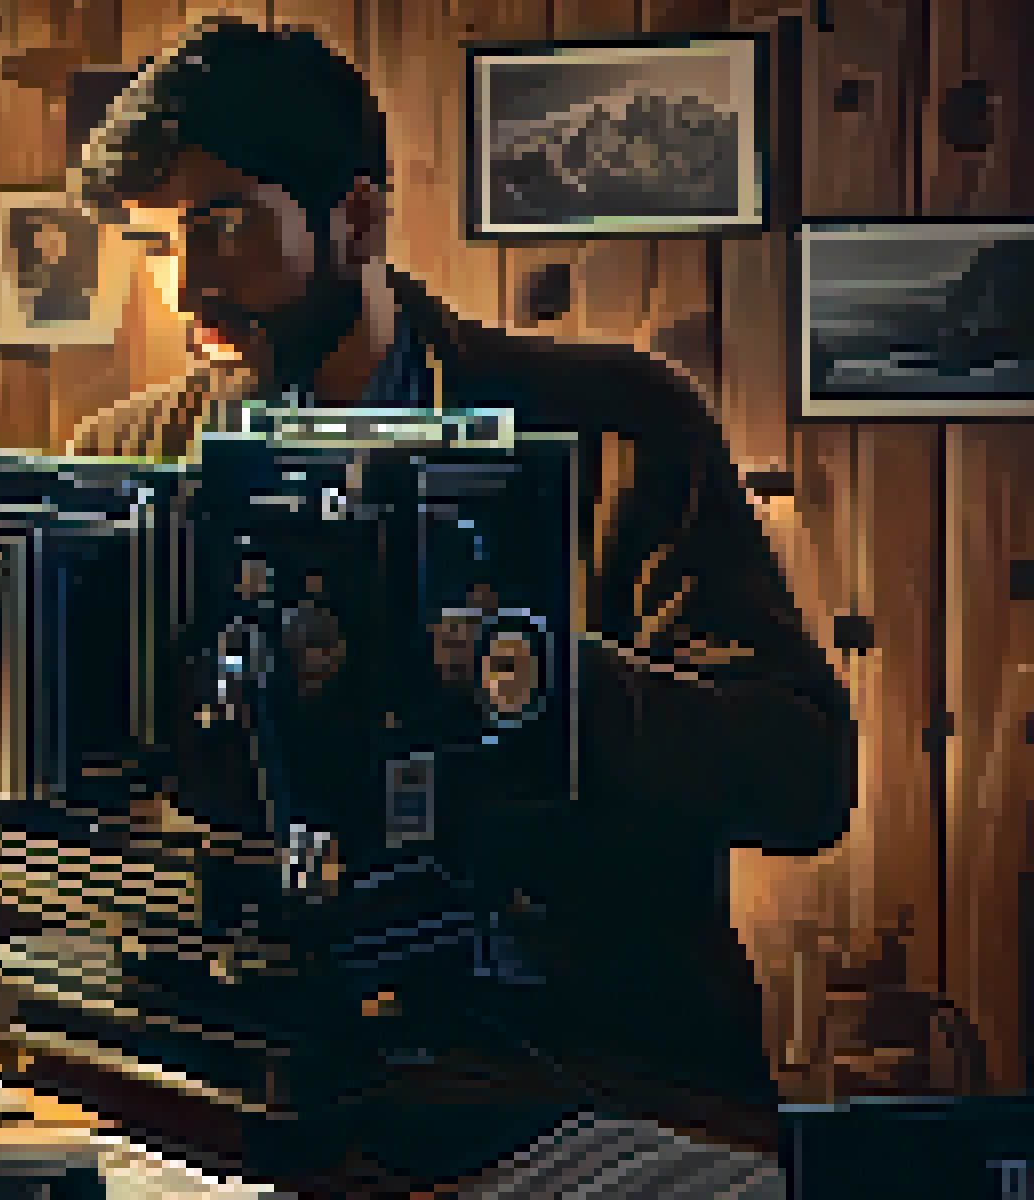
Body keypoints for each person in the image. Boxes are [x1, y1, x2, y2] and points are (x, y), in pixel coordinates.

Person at [60, 16, 854, 1198]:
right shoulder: (121, 456)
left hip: (582, 1073)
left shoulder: (619, 427)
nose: (189, 286)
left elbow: (803, 773)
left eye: (226, 224)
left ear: (359, 219)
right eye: (154, 244)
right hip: (244, 1078)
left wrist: (526, 684)